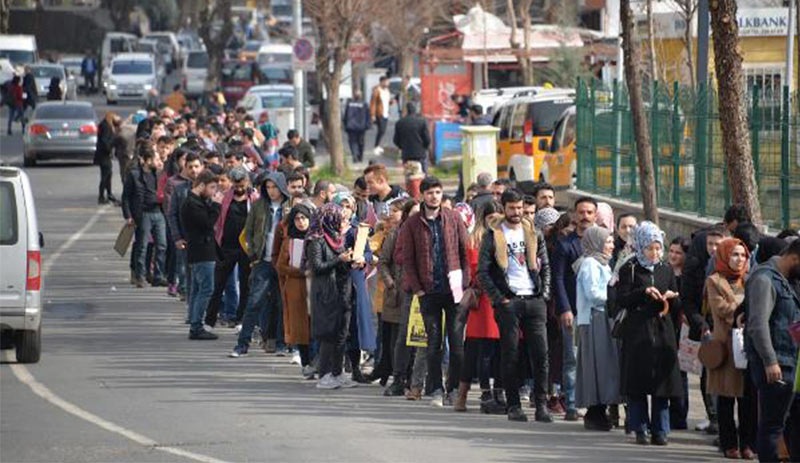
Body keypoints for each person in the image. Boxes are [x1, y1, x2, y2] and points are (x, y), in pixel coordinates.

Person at [477, 189, 553, 423]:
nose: (517, 212)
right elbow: (483, 272)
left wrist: (545, 294)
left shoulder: (533, 232)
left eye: (520, 208)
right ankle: (513, 405)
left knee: (541, 354)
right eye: (512, 208)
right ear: (504, 207)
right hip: (509, 301)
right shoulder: (493, 235)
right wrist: (500, 299)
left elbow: (545, 265)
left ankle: (541, 405)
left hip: (534, 299)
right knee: (510, 355)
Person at [399, 176, 469, 407]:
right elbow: (407, 259)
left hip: (454, 290)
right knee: (433, 344)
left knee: (457, 345)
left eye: (438, 192)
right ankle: (436, 389)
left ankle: (454, 389)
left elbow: (465, 251)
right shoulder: (412, 224)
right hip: (428, 291)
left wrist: (466, 282)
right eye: (429, 192)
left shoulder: (453, 218)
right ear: (422, 195)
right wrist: (417, 289)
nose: (434, 196)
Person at [616, 221, 683, 446]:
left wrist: (672, 298)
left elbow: (677, 303)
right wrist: (643, 292)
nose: (654, 253)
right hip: (638, 331)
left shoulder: (665, 269)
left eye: (657, 248)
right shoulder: (630, 268)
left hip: (663, 331)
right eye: (649, 248)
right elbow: (621, 299)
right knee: (638, 384)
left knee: (662, 385)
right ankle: (640, 428)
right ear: (641, 246)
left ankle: (660, 430)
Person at [745, 239, 800, 462]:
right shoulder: (764, 279)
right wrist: (770, 361)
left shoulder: (786, 280)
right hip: (776, 365)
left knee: (794, 423)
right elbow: (758, 325)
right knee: (772, 426)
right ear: (795, 258)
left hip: (791, 364)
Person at [705, 238, 756, 460]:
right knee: (725, 399)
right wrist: (745, 309)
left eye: (743, 255)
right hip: (725, 346)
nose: (739, 259)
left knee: (748, 399)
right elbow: (721, 308)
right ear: (725, 256)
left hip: (748, 344)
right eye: (734, 254)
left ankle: (747, 443)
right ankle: (729, 444)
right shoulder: (714, 280)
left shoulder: (752, 279)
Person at [229, 172, 290, 357]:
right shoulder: (258, 206)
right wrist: (254, 255)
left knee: (281, 304)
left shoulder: (290, 207)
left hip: (282, 263)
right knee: (254, 302)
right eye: (268, 187)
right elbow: (247, 233)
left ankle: (281, 344)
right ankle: (242, 345)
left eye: (274, 187)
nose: (272, 191)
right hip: (262, 261)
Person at [552, 197, 598, 421]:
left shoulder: (603, 242)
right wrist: (564, 309)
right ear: (574, 215)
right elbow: (558, 278)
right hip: (573, 310)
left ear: (595, 215)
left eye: (589, 212)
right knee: (573, 359)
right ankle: (571, 403)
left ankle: (596, 405)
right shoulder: (565, 244)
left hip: (597, 312)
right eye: (581, 212)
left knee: (596, 359)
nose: (585, 216)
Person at [459, 200, 506, 414]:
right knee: (483, 350)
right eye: (490, 218)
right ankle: (486, 393)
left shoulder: (504, 237)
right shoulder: (474, 241)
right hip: (484, 302)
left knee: (500, 352)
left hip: (501, 300)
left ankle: (498, 391)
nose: (495, 221)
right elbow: (475, 271)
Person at [307, 203, 358, 390]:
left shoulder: (338, 239)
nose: (342, 222)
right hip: (326, 293)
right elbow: (317, 267)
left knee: (341, 334)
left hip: (342, 291)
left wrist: (350, 260)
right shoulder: (316, 240)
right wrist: (339, 259)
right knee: (328, 334)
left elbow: (341, 265)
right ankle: (325, 374)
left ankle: (338, 372)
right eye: (338, 218)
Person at [575, 226, 621, 431]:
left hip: (603, 318)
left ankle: (600, 408)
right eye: (607, 241)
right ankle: (595, 410)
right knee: (596, 366)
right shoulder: (590, 264)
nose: (611, 245)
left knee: (604, 367)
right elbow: (593, 294)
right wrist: (615, 297)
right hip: (595, 319)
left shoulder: (603, 263)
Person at [205, 167, 258, 328]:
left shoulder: (254, 198)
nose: (239, 189)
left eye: (242, 185)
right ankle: (209, 320)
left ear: (247, 182)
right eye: (236, 186)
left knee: (245, 285)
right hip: (226, 247)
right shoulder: (224, 198)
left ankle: (240, 319)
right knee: (218, 284)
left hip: (246, 248)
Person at [180, 170, 221, 340]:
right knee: (206, 289)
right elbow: (207, 224)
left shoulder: (198, 201)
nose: (213, 192)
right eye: (211, 187)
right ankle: (196, 326)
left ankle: (195, 322)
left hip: (201, 251)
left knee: (199, 289)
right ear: (201, 185)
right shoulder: (192, 203)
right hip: (201, 252)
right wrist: (217, 206)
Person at [372, 198, 409, 387]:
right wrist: (391, 284)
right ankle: (395, 374)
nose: (391, 214)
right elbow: (383, 261)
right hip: (394, 294)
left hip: (412, 293)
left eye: (396, 211)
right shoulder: (394, 233)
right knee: (393, 336)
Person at [276, 204, 315, 378]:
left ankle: (317, 362)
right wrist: (299, 271)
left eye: (304, 218)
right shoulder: (288, 241)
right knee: (301, 327)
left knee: (315, 325)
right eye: (297, 219)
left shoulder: (317, 238)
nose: (301, 222)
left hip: (314, 286)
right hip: (296, 287)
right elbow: (280, 266)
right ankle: (306, 363)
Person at [122, 147, 168, 288]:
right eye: (155, 159)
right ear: (147, 160)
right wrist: (128, 215)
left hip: (158, 213)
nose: (158, 162)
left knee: (162, 245)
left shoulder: (159, 175)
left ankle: (158, 275)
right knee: (142, 246)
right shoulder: (134, 175)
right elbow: (126, 197)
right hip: (143, 214)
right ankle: (139, 276)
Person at [393, 103, 431, 173]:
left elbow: (395, 140)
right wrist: (424, 147)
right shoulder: (422, 122)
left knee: (409, 175)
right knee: (423, 174)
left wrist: (403, 147)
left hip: (406, 154)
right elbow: (427, 139)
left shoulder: (399, 123)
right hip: (420, 153)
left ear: (406, 111)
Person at [95, 112, 121, 205]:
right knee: (105, 175)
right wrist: (110, 147)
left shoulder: (104, 125)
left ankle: (108, 194)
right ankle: (102, 196)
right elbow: (105, 141)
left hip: (103, 154)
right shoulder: (106, 127)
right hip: (104, 155)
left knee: (108, 174)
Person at [343, 89, 371, 163]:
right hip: (361, 127)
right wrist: (368, 125)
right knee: (361, 142)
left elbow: (345, 115)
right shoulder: (364, 104)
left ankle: (355, 156)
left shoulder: (349, 104)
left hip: (351, 127)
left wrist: (345, 125)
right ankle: (360, 156)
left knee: (352, 142)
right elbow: (368, 115)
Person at [370, 75, 392, 154]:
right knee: (381, 130)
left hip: (386, 113)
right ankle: (376, 146)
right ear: (382, 82)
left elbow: (387, 101)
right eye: (386, 81)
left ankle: (378, 145)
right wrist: (372, 115)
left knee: (383, 131)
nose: (388, 83)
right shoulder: (377, 91)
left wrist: (391, 102)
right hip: (379, 113)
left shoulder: (387, 91)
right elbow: (373, 103)